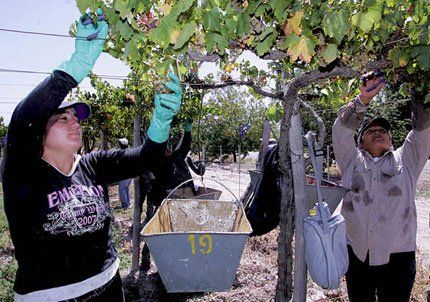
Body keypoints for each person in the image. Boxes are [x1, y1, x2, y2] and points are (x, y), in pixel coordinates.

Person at [1, 10, 182, 302]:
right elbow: (24, 119)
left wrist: (162, 120)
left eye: (77, 117)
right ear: (40, 134)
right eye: (63, 118)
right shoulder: (24, 171)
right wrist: (76, 66)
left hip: (110, 287)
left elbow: (147, 157)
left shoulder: (91, 165)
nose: (75, 121)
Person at [332, 71, 430, 301]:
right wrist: (362, 101)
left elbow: (423, 131)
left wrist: (419, 87)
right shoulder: (351, 161)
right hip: (358, 254)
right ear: (360, 141)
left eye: (382, 131)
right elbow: (341, 130)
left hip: (399, 256)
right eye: (370, 131)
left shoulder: (407, 160)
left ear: (391, 141)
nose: (377, 133)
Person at [117, 138, 132, 209]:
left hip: (124, 174)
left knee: (122, 189)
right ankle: (128, 203)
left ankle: (125, 205)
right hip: (130, 173)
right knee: (126, 188)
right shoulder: (130, 151)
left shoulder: (121, 153)